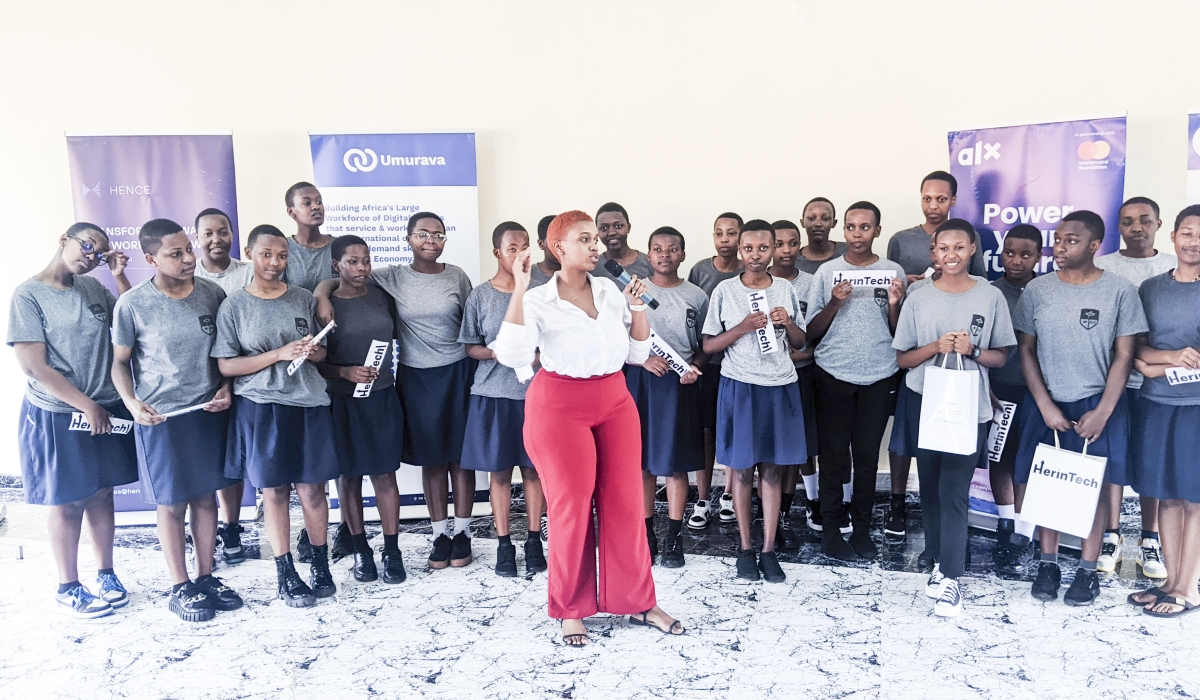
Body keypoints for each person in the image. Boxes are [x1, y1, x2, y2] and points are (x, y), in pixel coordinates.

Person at [493, 210, 682, 646]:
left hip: (615, 400)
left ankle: (638, 602)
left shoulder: (610, 291)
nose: (597, 246)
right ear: (559, 248)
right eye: (586, 239)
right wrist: (519, 289)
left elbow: (636, 354)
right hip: (560, 405)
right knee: (572, 507)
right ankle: (571, 609)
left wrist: (637, 308)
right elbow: (511, 353)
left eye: (596, 239)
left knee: (626, 504)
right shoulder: (538, 299)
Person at [316, 212, 476, 570]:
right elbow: (341, 277)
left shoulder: (457, 276)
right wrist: (321, 294)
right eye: (422, 233)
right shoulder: (392, 277)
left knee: (460, 458)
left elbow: (471, 322)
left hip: (457, 373)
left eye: (438, 234)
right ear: (408, 238)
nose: (430, 240)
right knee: (432, 456)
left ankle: (462, 532)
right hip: (416, 377)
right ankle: (439, 535)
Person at [1013, 210, 1148, 606]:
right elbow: (1026, 349)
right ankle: (1048, 564)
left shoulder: (1120, 291)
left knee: (1093, 489)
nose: (1060, 246)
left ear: (1094, 246)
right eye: (1057, 238)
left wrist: (1104, 410)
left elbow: (1125, 355)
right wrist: (1044, 404)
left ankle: (1087, 572)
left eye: (1071, 240)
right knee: (1048, 486)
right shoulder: (1039, 289)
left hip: (1098, 402)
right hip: (1048, 402)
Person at [110, 219, 242, 622]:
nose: (189, 258)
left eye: (189, 249)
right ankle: (179, 585)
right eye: (176, 253)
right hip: (161, 419)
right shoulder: (132, 304)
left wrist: (226, 388)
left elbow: (225, 354)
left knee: (206, 496)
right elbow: (119, 364)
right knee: (171, 503)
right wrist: (132, 403)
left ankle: (205, 577)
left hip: (208, 411)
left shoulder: (212, 294)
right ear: (151, 259)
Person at [8, 222, 137, 618]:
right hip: (61, 412)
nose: (91, 255)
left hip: (105, 407)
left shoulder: (94, 289)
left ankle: (106, 573)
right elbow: (33, 366)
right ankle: (68, 586)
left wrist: (117, 276)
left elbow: (133, 318)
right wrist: (85, 405)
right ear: (63, 239)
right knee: (68, 501)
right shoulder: (28, 295)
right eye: (86, 245)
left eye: (98, 252)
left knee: (101, 492)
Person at [892, 219, 1016, 617]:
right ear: (933, 252)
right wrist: (934, 346)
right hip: (923, 401)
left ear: (973, 249)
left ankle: (951, 579)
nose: (951, 255)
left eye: (959, 247)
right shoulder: (918, 297)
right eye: (943, 248)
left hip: (968, 407)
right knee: (929, 486)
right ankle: (935, 553)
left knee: (954, 489)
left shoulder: (990, 296)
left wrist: (974, 350)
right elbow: (902, 358)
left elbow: (1002, 356)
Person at [213, 224, 339, 608]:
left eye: (282, 256)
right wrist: (278, 354)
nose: (275, 263)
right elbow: (226, 366)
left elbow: (322, 352)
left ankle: (320, 563)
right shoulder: (233, 305)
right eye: (267, 254)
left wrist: (314, 351)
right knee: (275, 492)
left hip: (308, 403)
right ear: (251, 253)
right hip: (262, 407)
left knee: (314, 490)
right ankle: (285, 571)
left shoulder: (302, 298)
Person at [703, 220, 807, 582]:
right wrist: (743, 327)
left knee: (774, 470)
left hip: (779, 386)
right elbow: (709, 345)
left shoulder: (785, 289)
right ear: (739, 250)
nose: (756, 255)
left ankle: (768, 549)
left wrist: (788, 323)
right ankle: (745, 549)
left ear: (775, 249)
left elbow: (800, 343)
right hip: (741, 387)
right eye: (749, 248)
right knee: (743, 470)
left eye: (764, 248)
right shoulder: (724, 291)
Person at [806, 201, 906, 561]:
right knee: (832, 457)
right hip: (833, 373)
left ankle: (862, 531)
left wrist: (895, 304)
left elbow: (900, 333)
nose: (858, 233)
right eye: (851, 227)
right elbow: (809, 332)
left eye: (866, 227)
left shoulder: (893, 271)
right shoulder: (827, 274)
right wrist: (833, 302)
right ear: (842, 230)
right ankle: (831, 532)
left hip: (879, 374)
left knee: (866, 458)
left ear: (877, 231)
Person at [1093, 196, 1177, 579]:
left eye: (1145, 220)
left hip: (1163, 384)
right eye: (1128, 222)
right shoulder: (1103, 267)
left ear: (1159, 225)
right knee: (1112, 458)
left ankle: (1150, 538)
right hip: (1114, 380)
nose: (1137, 228)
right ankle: (1112, 535)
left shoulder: (1176, 267)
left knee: (1152, 460)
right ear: (1119, 227)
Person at [315, 235, 407, 585]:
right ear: (336, 265)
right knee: (348, 478)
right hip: (341, 400)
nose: (362, 268)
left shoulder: (382, 295)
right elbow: (314, 362)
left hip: (382, 397)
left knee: (385, 475)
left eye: (366, 260)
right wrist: (344, 372)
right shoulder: (324, 305)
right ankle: (361, 550)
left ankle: (391, 550)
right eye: (352, 261)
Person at [459, 222, 547, 578]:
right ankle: (503, 544)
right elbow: (470, 346)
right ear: (497, 252)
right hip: (493, 395)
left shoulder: (541, 292)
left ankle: (533, 541)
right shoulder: (480, 295)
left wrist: (537, 357)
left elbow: (551, 341)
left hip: (534, 396)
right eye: (512, 247)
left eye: (524, 247)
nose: (519, 254)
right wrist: (497, 354)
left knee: (533, 470)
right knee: (499, 473)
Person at [1129, 204, 1200, 618]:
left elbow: (1150, 362)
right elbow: (1139, 354)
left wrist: (1157, 363)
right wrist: (1170, 357)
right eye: (1188, 233)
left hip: (1195, 408)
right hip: (1156, 404)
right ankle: (1170, 582)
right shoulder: (1152, 288)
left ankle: (1189, 588)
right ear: (1172, 237)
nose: (1194, 242)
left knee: (1195, 498)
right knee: (1168, 496)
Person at [627, 226, 708, 568]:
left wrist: (694, 366)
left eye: (672, 249)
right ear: (648, 255)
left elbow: (705, 345)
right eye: (658, 249)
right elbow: (620, 336)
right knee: (643, 464)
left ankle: (674, 538)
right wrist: (643, 359)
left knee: (675, 466)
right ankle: (647, 535)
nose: (665, 254)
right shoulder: (633, 292)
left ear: (683, 255)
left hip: (680, 386)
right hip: (643, 383)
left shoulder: (696, 296)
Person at [192, 206, 253, 564]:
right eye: (208, 233)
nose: (216, 239)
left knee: (232, 460)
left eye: (223, 231)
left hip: (240, 381)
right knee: (203, 461)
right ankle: (203, 532)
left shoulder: (247, 273)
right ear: (197, 238)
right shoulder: (188, 273)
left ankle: (231, 526)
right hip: (198, 384)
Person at [988, 224, 1043, 560]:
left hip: (1037, 394)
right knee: (1001, 458)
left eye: (1026, 254)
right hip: (999, 389)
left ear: (1039, 256)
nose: (1016, 260)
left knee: (1031, 462)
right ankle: (1005, 524)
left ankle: (1026, 532)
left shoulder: (1049, 291)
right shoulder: (990, 292)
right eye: (1010, 252)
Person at [686, 212, 744, 529]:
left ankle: (729, 494)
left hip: (738, 366)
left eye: (731, 233)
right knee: (706, 432)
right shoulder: (700, 271)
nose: (725, 239)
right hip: (708, 365)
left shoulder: (748, 272)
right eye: (719, 233)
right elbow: (694, 318)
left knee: (733, 432)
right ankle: (704, 497)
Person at [768, 220, 816, 546]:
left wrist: (796, 357)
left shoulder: (813, 283)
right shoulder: (750, 284)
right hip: (762, 378)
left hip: (801, 374)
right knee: (766, 450)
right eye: (779, 243)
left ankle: (785, 511)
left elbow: (818, 336)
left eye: (792, 243)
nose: (786, 250)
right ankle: (765, 511)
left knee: (793, 449)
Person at [887, 171, 985, 282]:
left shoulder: (968, 236)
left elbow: (980, 281)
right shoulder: (900, 240)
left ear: (953, 200)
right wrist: (904, 281)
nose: (933, 206)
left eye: (941, 199)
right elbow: (889, 285)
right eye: (927, 199)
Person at [283, 182, 336, 293]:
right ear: (291, 212)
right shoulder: (283, 249)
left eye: (319, 202)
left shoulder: (339, 246)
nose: (316, 207)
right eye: (307, 203)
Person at [591, 202, 653, 284]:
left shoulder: (649, 264)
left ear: (628, 228)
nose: (611, 232)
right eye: (604, 228)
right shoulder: (592, 267)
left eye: (618, 226)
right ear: (597, 231)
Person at [795, 197, 848, 275]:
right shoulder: (793, 262)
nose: (818, 224)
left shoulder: (849, 251)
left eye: (825, 218)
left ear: (834, 223)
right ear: (802, 222)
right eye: (811, 218)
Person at [530, 214, 560, 289]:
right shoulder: (527, 276)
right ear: (541, 244)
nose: (560, 246)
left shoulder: (580, 274)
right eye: (554, 242)